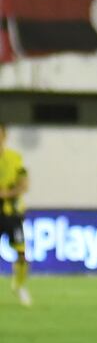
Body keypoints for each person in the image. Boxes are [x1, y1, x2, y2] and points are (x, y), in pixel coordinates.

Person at [0, 123, 30, 306]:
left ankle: (19, 286)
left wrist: (6, 194)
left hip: (11, 215)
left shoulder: (14, 158)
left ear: (4, 137)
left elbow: (24, 185)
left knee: (21, 254)